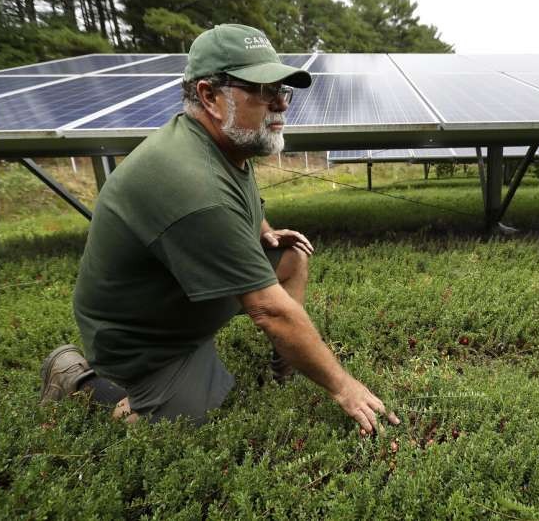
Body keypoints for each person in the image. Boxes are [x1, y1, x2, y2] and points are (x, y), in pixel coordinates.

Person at [40, 24, 399, 434]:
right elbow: (268, 309)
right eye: (263, 91)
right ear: (210, 96)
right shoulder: (192, 181)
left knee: (291, 257)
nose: (280, 104)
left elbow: (241, 195)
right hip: (145, 339)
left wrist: (261, 228)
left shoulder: (226, 144)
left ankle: (285, 362)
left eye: (283, 91)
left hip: (183, 297)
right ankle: (77, 379)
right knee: (186, 418)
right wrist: (343, 387)